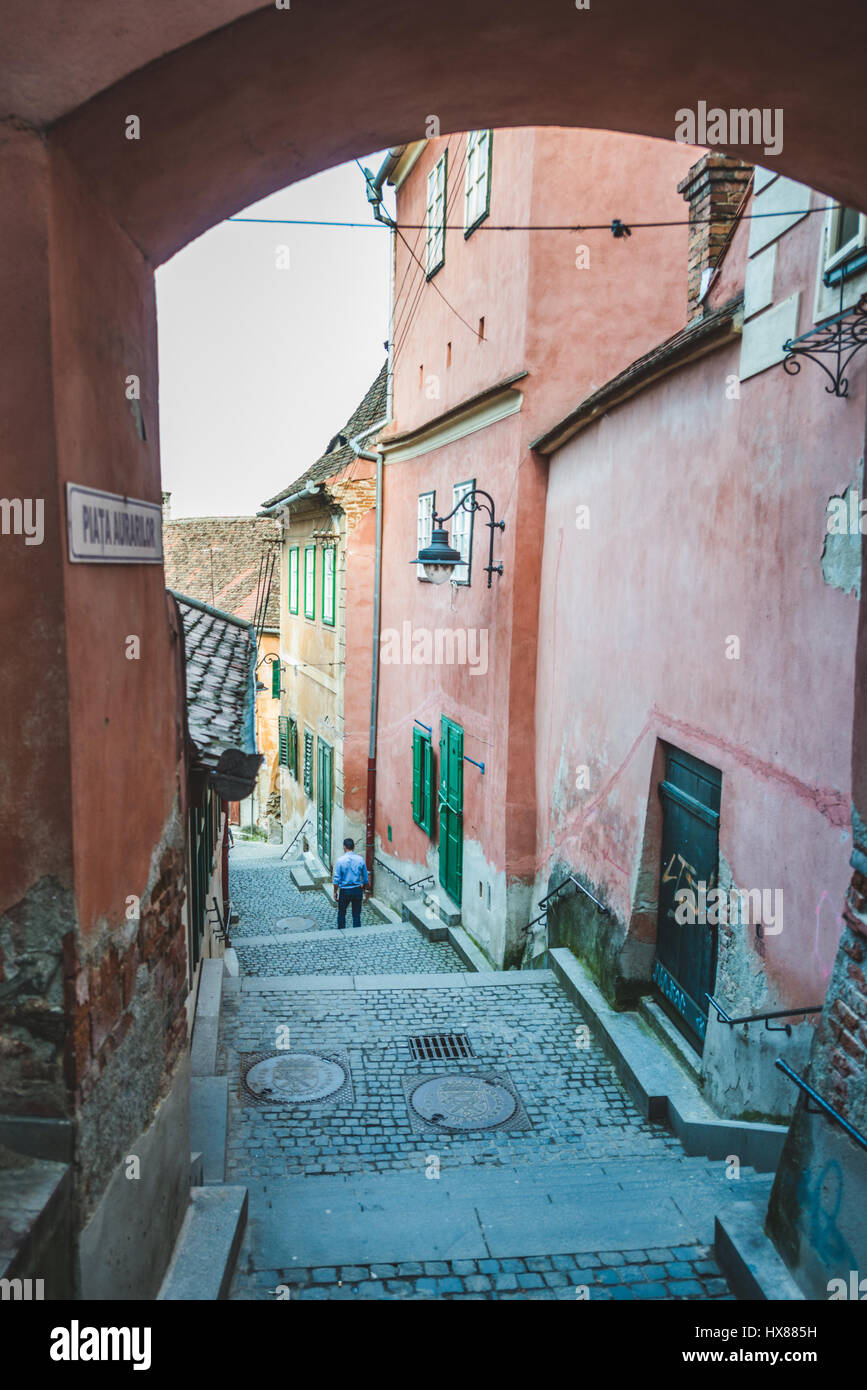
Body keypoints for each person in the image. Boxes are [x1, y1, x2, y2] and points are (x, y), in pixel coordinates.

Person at [332, 837, 370, 929]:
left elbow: (336, 880)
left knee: (342, 913)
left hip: (345, 891)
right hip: (357, 890)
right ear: (354, 847)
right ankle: (356, 933)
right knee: (356, 914)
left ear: (344, 847)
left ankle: (342, 931)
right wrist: (363, 888)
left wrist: (335, 892)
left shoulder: (340, 861)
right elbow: (365, 878)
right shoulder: (360, 860)